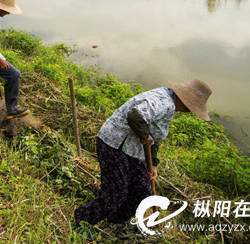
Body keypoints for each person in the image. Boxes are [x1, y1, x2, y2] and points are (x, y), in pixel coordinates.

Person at [73, 79, 212, 239]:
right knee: (116, 193)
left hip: (131, 150)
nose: (187, 112)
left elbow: (155, 138)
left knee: (142, 191)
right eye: (189, 109)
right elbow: (134, 116)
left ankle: (117, 219)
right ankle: (81, 220)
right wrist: (144, 135)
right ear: (186, 103)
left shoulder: (170, 103)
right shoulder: (164, 102)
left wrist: (152, 165)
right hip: (113, 143)